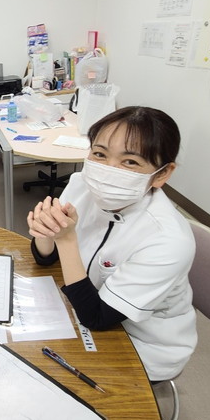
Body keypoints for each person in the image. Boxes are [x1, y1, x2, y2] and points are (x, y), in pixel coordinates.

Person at [27, 106, 196, 382]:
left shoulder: (167, 240)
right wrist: (45, 230)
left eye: (130, 162)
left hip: (142, 343)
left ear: (162, 174)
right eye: (100, 154)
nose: (107, 170)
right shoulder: (82, 184)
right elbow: (46, 258)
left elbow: (96, 317)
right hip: (82, 304)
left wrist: (66, 239)